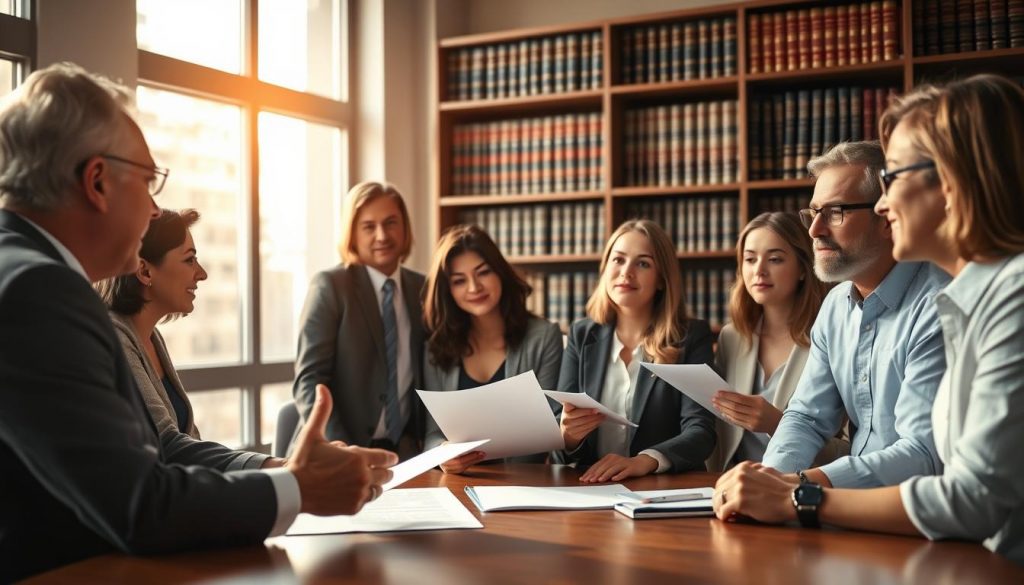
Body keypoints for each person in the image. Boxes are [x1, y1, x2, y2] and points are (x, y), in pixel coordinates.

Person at [0, 63, 394, 582]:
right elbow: (142, 506)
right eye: (147, 181)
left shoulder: (24, 271)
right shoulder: (40, 292)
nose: (153, 207)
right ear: (96, 181)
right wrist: (300, 487)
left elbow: (143, 458)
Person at [713, 74, 1024, 565]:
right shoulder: (967, 298)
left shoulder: (1007, 296)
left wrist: (798, 494)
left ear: (953, 180)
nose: (884, 203)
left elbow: (964, 491)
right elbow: (806, 417)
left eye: (893, 177)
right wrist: (772, 485)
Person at [757, 141, 949, 489]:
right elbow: (805, 418)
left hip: (913, 518)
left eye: (835, 212)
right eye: (813, 213)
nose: (814, 230)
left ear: (887, 216)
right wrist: (770, 478)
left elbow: (923, 455)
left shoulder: (937, 305)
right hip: (846, 505)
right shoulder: (834, 306)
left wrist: (800, 486)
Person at [94, 208, 278, 469]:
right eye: (189, 260)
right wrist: (277, 467)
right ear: (145, 272)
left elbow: (189, 439)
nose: (201, 273)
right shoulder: (115, 340)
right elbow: (166, 446)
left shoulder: (151, 336)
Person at [553, 219, 716, 482]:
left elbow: (701, 432)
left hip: (660, 490)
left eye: (643, 263)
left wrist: (645, 461)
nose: (626, 273)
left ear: (662, 279)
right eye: (618, 260)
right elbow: (561, 450)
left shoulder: (691, 337)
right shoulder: (581, 335)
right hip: (591, 489)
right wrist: (568, 437)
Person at [292, 180, 426, 459]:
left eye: (391, 223)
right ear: (352, 233)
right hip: (338, 450)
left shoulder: (423, 288)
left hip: (408, 455)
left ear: (405, 228)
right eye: (369, 226)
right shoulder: (331, 286)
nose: (382, 236)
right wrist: (343, 450)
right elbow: (309, 380)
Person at [707, 212, 848, 471]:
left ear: (804, 269)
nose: (758, 270)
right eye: (749, 259)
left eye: (774, 259)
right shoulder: (732, 337)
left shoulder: (834, 338)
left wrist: (778, 424)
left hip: (800, 490)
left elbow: (854, 453)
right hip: (729, 487)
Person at [421, 224, 563, 473]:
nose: (474, 288)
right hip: (457, 485)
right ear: (448, 290)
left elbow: (554, 426)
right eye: (459, 281)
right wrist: (442, 452)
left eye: (483, 272)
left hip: (525, 485)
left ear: (500, 273)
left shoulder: (543, 338)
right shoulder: (437, 348)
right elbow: (432, 433)